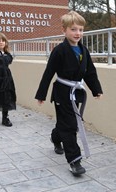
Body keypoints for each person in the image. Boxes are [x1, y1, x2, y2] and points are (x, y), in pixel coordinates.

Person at [35, 11, 103, 176]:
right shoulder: (59, 50)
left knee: (66, 123)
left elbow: (90, 72)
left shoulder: (83, 50)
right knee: (70, 125)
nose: (78, 33)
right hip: (62, 92)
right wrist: (41, 94)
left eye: (80, 29)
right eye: (73, 29)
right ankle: (74, 160)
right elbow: (49, 72)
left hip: (76, 93)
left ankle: (55, 137)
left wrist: (96, 89)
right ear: (64, 30)